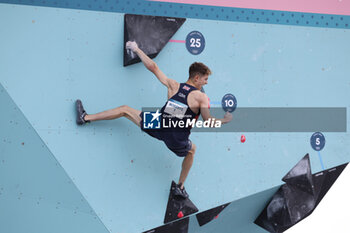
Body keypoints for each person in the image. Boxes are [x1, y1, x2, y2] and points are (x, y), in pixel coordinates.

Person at [76, 41, 232, 198]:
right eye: (205, 79)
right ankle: (180, 187)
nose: (206, 83)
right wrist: (225, 120)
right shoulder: (201, 97)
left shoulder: (174, 85)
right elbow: (208, 121)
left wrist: (136, 49)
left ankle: (85, 117)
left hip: (158, 124)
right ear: (197, 77)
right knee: (192, 150)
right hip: (175, 138)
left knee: (125, 110)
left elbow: (153, 68)